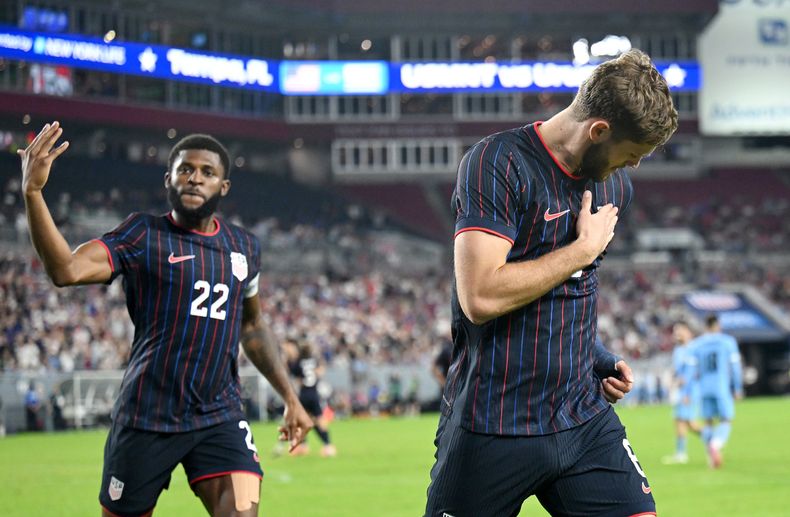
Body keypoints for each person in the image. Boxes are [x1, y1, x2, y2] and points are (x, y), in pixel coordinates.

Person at [425, 49, 677, 517]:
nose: (634, 167)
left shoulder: (612, 186)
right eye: (632, 154)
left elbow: (570, 289)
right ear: (598, 130)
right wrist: (582, 249)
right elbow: (479, 295)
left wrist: (597, 358)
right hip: (493, 424)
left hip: (582, 419)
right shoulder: (496, 163)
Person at [18, 121, 313, 517]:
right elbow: (66, 271)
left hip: (219, 414)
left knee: (244, 508)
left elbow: (252, 326)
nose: (195, 178)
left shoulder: (245, 247)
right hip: (147, 416)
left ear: (223, 187)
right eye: (185, 170)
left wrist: (291, 398)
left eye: (208, 173)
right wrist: (34, 193)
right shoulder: (142, 234)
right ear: (168, 180)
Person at [689, 314, 743, 468]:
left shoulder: (697, 344)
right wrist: (737, 387)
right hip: (721, 387)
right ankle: (716, 445)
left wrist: (688, 392)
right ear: (718, 325)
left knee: (707, 422)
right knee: (726, 419)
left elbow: (692, 370)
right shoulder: (727, 342)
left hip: (704, 388)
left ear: (706, 326)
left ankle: (711, 460)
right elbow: (735, 367)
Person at [287, 340, 336, 457]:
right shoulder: (314, 361)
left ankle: (303, 446)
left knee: (302, 421)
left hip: (303, 394)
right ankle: (328, 445)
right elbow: (320, 371)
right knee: (319, 420)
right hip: (314, 394)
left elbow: (294, 376)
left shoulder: (298, 362)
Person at [662, 320, 702, 465]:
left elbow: (694, 373)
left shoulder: (694, 349)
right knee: (681, 421)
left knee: (688, 422)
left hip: (689, 392)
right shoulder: (678, 350)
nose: (676, 334)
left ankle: (712, 440)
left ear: (688, 331)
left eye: (679, 330)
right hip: (681, 391)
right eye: (675, 331)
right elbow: (679, 372)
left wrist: (687, 393)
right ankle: (681, 453)